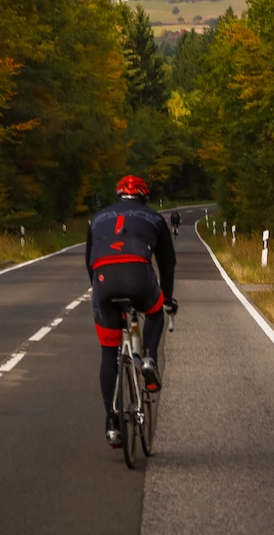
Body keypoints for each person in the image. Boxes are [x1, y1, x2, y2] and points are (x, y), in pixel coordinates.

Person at [86, 175, 177, 448]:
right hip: (138, 275)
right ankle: (148, 359)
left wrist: (102, 295)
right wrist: (169, 297)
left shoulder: (98, 219)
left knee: (108, 352)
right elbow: (167, 263)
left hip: (103, 281)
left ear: (117, 196)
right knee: (155, 310)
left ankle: (112, 422)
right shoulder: (155, 218)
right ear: (144, 197)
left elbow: (89, 263)